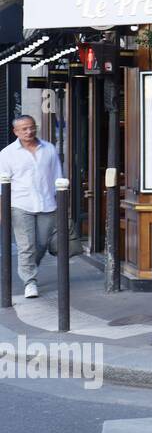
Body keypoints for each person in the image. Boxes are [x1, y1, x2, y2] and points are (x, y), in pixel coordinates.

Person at [0, 115, 63, 298]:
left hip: (47, 204)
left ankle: (26, 267)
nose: (29, 132)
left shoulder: (49, 149)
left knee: (42, 244)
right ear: (16, 132)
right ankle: (30, 281)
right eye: (24, 129)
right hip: (20, 204)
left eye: (31, 127)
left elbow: (58, 177)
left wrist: (62, 203)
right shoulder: (7, 154)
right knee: (26, 246)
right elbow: (2, 185)